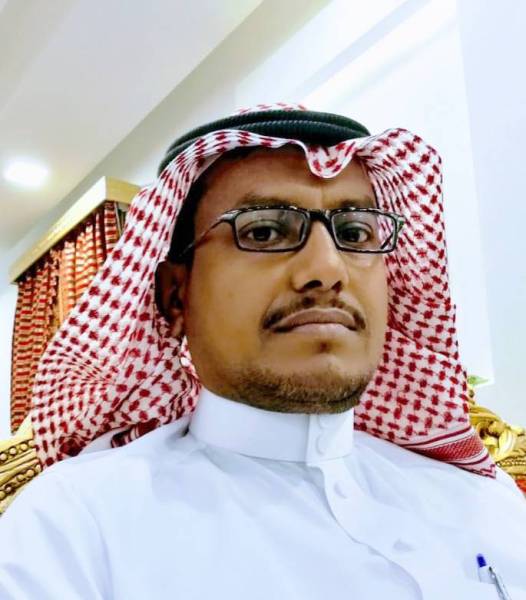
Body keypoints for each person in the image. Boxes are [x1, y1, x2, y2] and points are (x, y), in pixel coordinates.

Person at [0, 105, 525, 599]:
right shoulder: (76, 527)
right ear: (176, 296)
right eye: (265, 230)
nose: (328, 269)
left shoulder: (482, 500)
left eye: (354, 232)